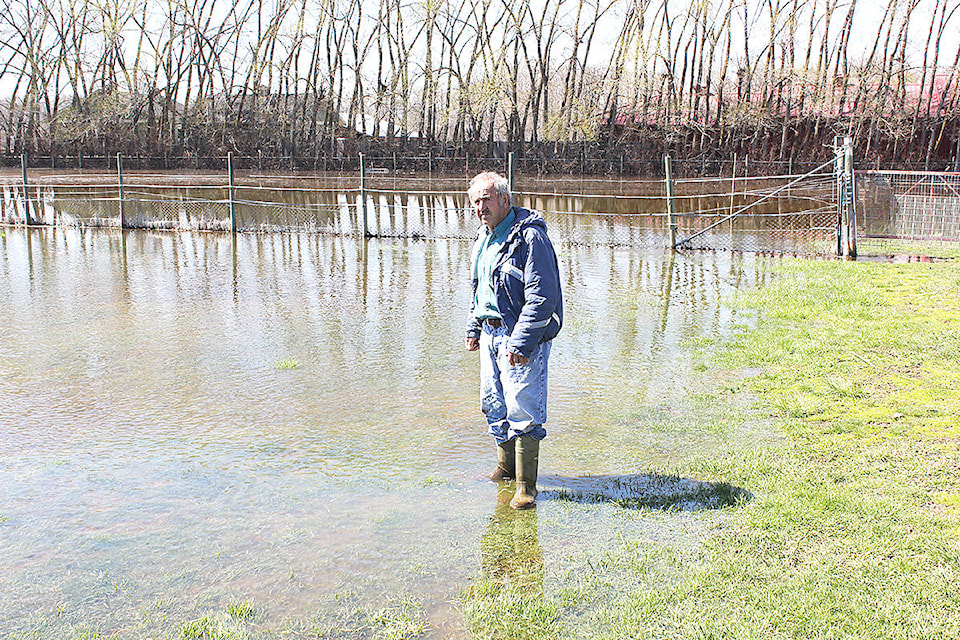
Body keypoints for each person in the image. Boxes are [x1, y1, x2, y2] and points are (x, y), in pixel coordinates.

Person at [465, 171, 562, 510]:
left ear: (505, 199)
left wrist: (520, 343)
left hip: (519, 335)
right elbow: (480, 288)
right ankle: (505, 471)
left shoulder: (530, 237)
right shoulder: (484, 237)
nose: (480, 207)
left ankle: (526, 488)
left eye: (486, 199)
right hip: (490, 332)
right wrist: (473, 328)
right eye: (475, 201)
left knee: (523, 408)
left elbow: (542, 297)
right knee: (493, 403)